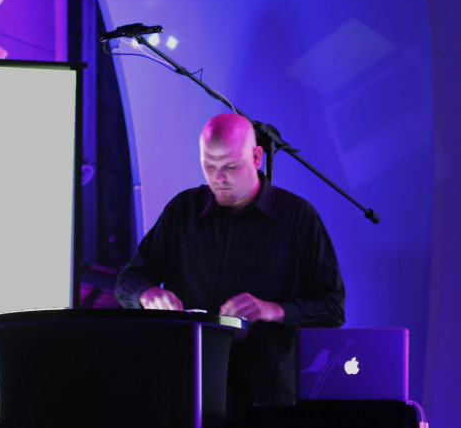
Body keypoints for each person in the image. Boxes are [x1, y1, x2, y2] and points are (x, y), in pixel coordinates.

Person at [115, 112, 345, 409]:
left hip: (264, 399)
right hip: (186, 393)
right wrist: (146, 295)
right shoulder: (183, 210)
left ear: (257, 157)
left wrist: (273, 310)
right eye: (208, 166)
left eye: (231, 167)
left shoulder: (298, 219)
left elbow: (333, 308)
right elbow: (128, 280)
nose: (218, 178)